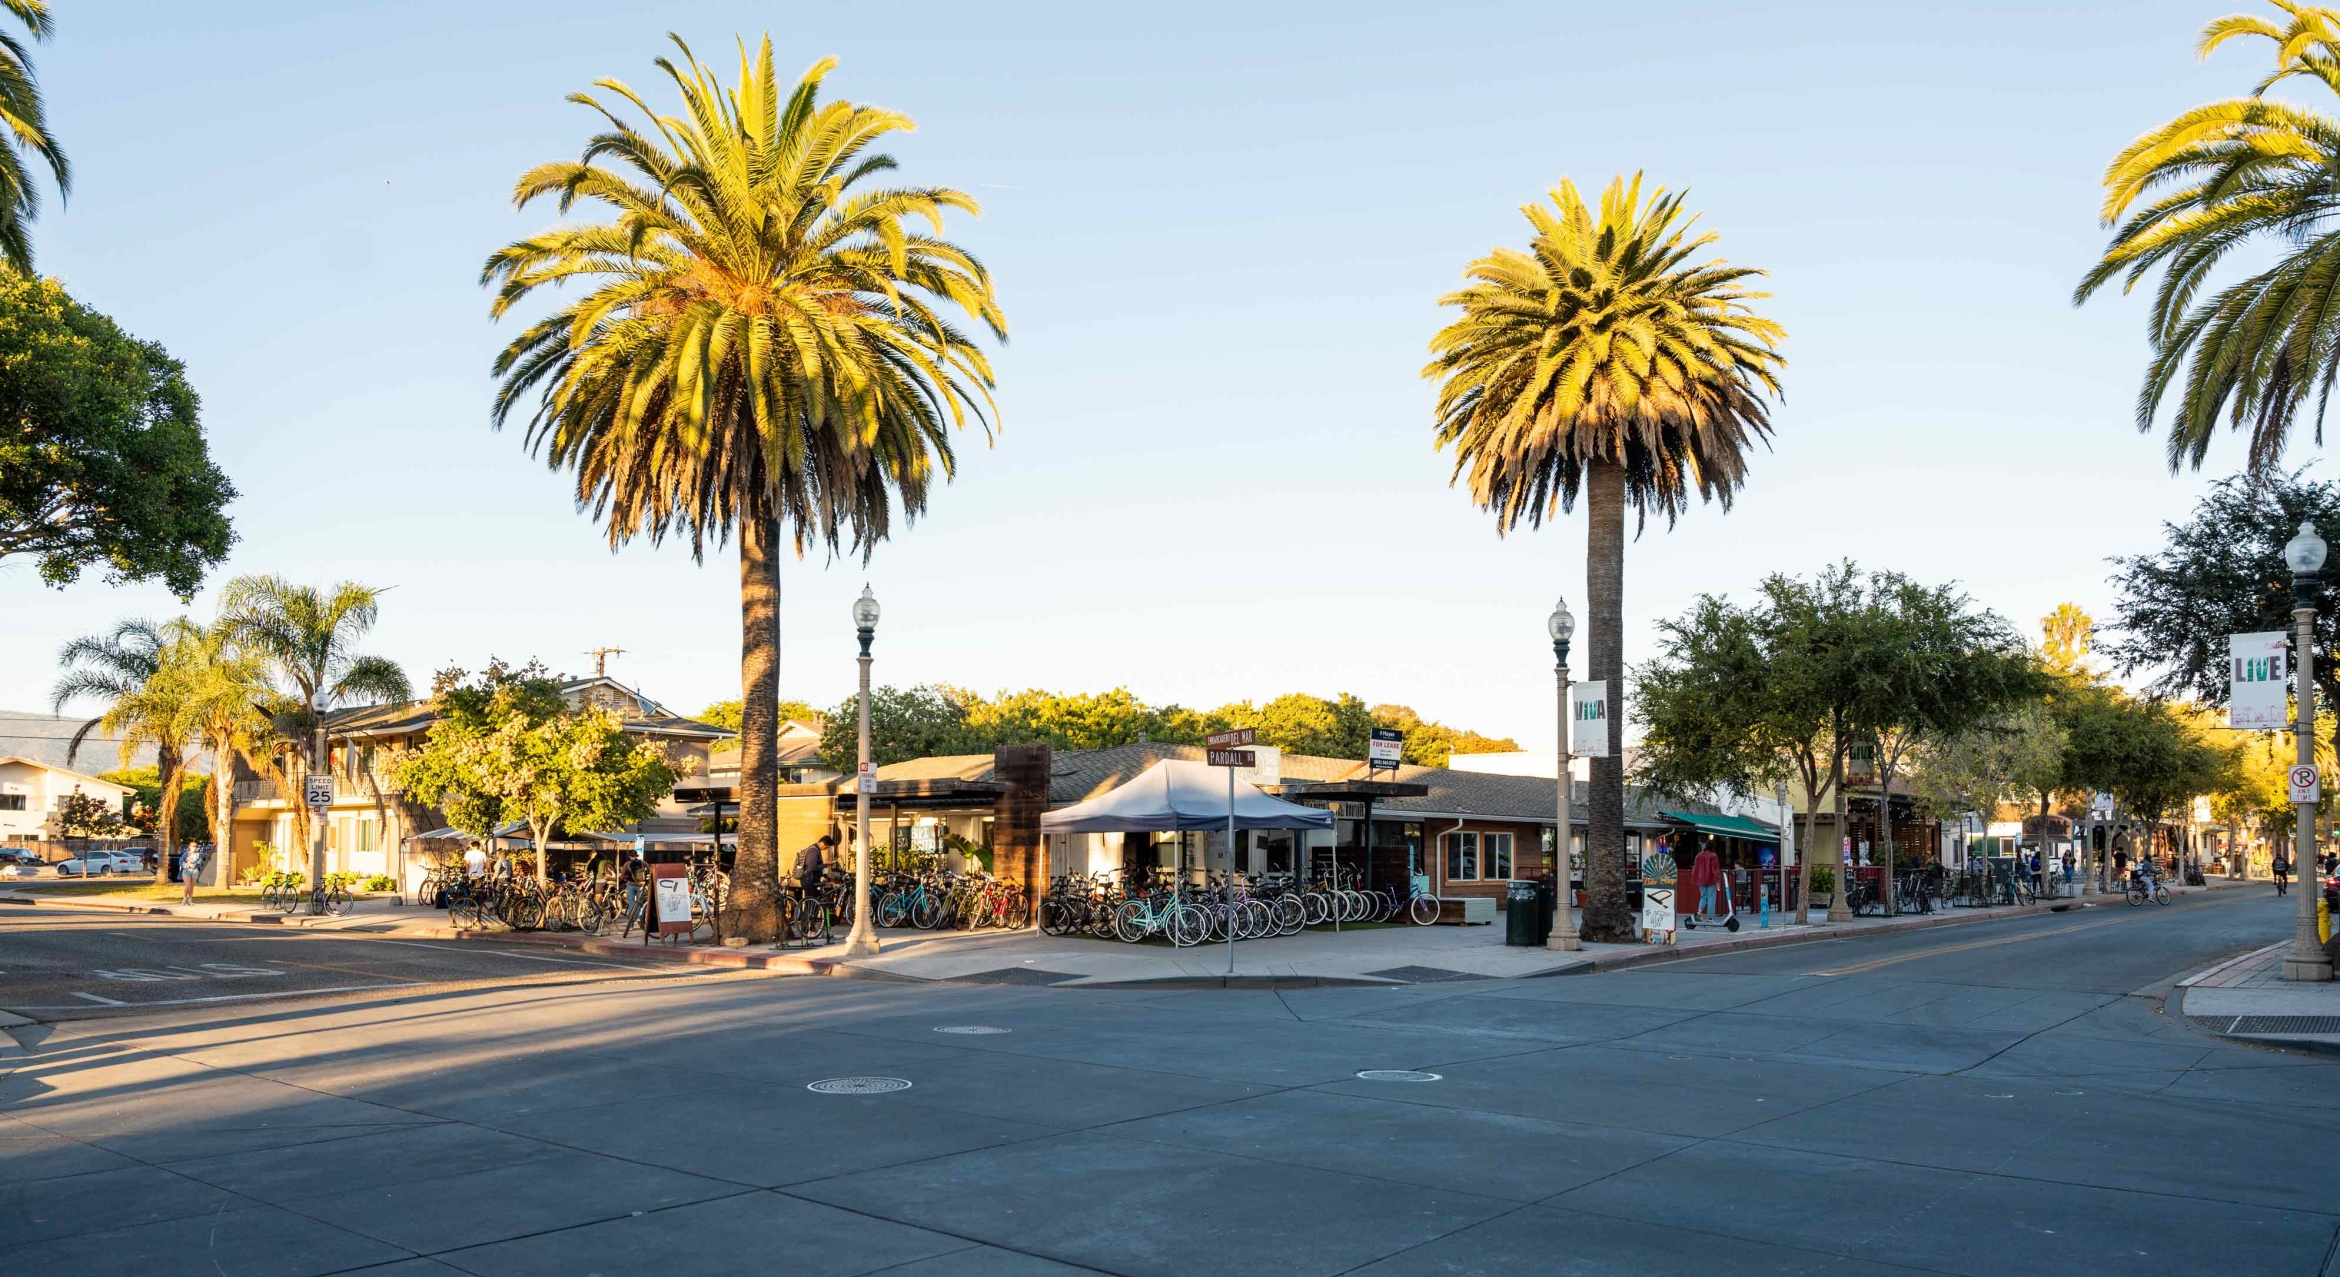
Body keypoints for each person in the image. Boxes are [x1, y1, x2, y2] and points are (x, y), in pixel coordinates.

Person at [793, 833, 837, 900]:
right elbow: (812, 867)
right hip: (809, 880)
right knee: (811, 903)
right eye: (827, 847)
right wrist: (826, 864)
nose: (826, 849)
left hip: (810, 879)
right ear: (823, 843)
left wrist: (827, 877)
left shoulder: (816, 849)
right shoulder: (813, 851)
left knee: (815, 901)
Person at [1688, 841, 1723, 918]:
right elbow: (1715, 869)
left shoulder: (1699, 855)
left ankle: (1699, 913)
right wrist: (1717, 881)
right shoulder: (1714, 855)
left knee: (1703, 897)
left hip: (1701, 879)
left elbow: (1695, 868)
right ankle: (1710, 917)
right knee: (1711, 898)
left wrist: (1695, 878)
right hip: (1711, 880)